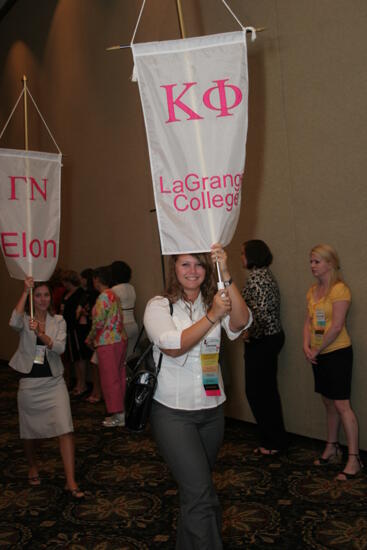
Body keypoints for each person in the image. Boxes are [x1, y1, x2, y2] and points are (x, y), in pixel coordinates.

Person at [144, 243, 252, 550]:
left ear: (207, 270)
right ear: (174, 269)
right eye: (185, 265)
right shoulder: (159, 305)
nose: (193, 271)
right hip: (172, 413)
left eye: (199, 265)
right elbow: (172, 345)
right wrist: (211, 316)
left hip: (212, 410)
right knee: (201, 493)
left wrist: (227, 275)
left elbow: (241, 322)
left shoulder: (215, 298)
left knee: (196, 494)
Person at [8, 277, 84, 498]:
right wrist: (24, 292)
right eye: (38, 295)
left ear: (51, 298)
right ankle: (32, 465)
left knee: (66, 429)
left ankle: (71, 481)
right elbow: (13, 322)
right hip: (30, 384)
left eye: (46, 295)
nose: (42, 299)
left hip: (54, 383)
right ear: (33, 297)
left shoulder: (58, 320)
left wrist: (41, 332)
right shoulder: (24, 318)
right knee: (30, 432)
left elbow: (59, 346)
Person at [303, 244, 363, 480]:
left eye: (316, 261)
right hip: (318, 354)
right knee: (328, 402)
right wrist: (306, 346)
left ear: (330, 263)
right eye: (311, 261)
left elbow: (337, 326)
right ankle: (332, 446)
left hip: (337, 353)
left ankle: (354, 458)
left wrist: (316, 350)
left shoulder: (340, 290)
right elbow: (308, 321)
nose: (312, 266)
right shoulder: (312, 291)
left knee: (342, 405)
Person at [241, 239, 287, 455]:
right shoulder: (266, 274)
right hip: (272, 338)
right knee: (267, 392)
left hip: (262, 342)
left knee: (258, 393)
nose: (241, 257)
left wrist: (249, 336)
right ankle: (273, 440)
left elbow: (258, 315)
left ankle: (272, 442)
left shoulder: (256, 279)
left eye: (243, 253)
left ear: (252, 255)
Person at [86, 266, 127, 427]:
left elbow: (98, 322)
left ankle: (117, 414)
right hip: (119, 339)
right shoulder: (113, 295)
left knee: (110, 379)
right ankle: (121, 412)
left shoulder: (103, 297)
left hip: (107, 341)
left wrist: (89, 338)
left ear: (97, 280)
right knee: (119, 377)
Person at [76, 268, 100, 403]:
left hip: (96, 332)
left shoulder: (98, 295)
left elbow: (97, 319)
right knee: (93, 363)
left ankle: (97, 392)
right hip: (92, 330)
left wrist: (91, 337)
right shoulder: (89, 294)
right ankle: (95, 391)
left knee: (96, 364)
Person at [60, 270, 86, 395]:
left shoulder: (80, 293)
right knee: (72, 357)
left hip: (76, 329)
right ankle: (74, 382)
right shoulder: (66, 293)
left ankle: (82, 383)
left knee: (78, 357)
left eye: (65, 281)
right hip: (66, 328)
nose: (63, 284)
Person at [111, 260, 138, 357]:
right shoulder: (131, 287)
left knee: (119, 359)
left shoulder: (114, 290)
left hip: (121, 327)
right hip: (133, 324)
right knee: (130, 357)